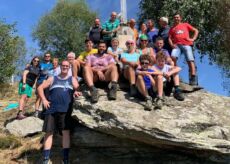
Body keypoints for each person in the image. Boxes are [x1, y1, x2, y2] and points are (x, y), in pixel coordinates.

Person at [38, 60, 81, 164]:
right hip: (51, 110)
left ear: (69, 67)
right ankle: (45, 159)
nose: (65, 67)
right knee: (48, 133)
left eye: (67, 66)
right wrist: (44, 99)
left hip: (66, 111)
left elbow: (78, 88)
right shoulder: (53, 78)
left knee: (66, 133)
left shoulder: (72, 79)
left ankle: (65, 159)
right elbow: (40, 87)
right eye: (63, 65)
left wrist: (76, 91)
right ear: (60, 66)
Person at [168, 13, 199, 85]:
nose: (176, 18)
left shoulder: (185, 25)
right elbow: (169, 38)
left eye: (177, 17)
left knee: (190, 60)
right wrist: (172, 45)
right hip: (177, 45)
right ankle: (175, 75)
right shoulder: (172, 28)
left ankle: (193, 78)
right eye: (175, 17)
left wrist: (193, 38)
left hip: (187, 44)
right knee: (173, 58)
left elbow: (196, 30)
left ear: (180, 18)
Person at [35, 53, 53, 117]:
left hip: (48, 83)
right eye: (46, 56)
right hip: (40, 81)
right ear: (44, 57)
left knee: (47, 96)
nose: (47, 57)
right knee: (39, 97)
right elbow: (36, 72)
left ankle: (45, 111)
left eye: (48, 56)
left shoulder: (52, 64)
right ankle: (36, 111)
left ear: (50, 57)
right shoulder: (41, 64)